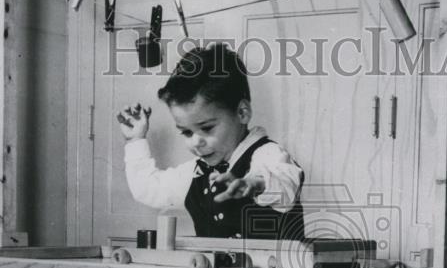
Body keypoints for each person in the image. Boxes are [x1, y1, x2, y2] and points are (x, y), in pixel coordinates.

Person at [116, 43, 305, 240]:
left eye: (206, 128)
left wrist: (255, 184)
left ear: (242, 112)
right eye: (187, 132)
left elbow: (286, 186)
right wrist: (135, 140)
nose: (196, 142)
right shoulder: (196, 173)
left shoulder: (267, 155)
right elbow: (148, 189)